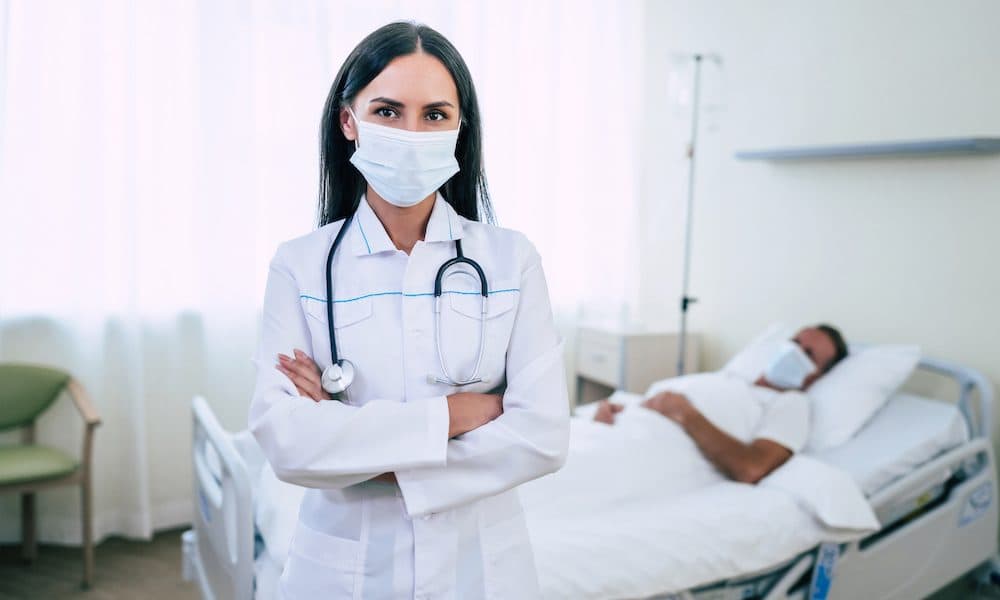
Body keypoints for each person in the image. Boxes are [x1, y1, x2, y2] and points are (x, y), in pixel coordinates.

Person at [248, 22, 569, 599]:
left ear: (459, 128)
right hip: (344, 571)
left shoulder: (510, 260)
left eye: (435, 114)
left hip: (483, 568)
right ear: (349, 121)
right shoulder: (299, 266)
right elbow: (287, 440)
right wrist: (454, 415)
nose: (412, 131)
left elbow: (543, 435)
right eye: (389, 111)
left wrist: (352, 443)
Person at [592, 324, 847, 484]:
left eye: (808, 353)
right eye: (794, 342)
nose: (795, 351)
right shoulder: (733, 380)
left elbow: (752, 468)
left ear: (816, 375)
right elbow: (663, 404)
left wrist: (685, 413)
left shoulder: (792, 403)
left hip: (641, 456)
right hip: (611, 432)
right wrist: (618, 408)